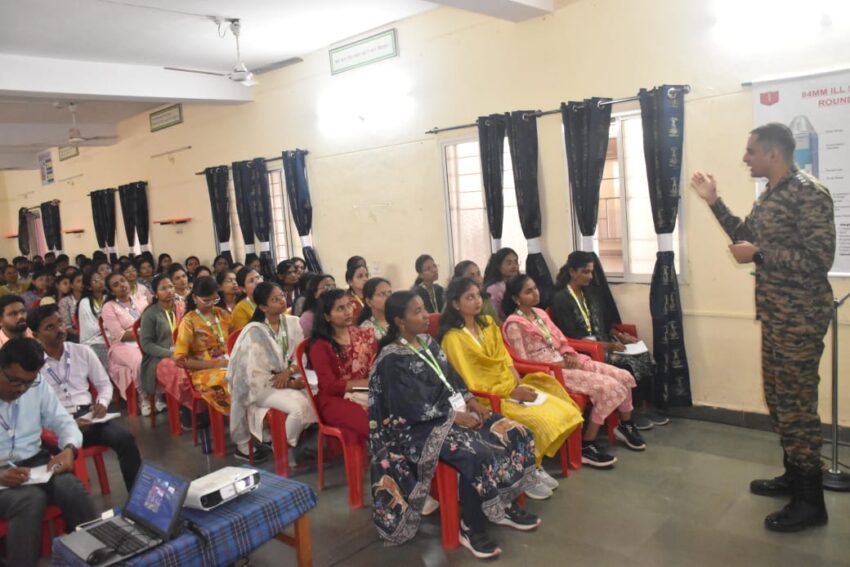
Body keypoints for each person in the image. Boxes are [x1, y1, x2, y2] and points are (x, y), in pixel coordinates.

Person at [691, 122, 835, 532]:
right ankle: (794, 476)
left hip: (800, 318)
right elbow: (747, 237)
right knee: (779, 399)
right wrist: (714, 201)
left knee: (797, 406)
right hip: (776, 315)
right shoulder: (771, 194)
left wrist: (760, 254)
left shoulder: (809, 193)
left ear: (773, 153)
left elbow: (819, 258)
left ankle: (811, 502)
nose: (745, 158)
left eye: (751, 151)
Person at [370, 291, 540, 558]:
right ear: (400, 321)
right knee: (476, 453)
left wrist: (471, 401)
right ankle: (470, 526)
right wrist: (452, 417)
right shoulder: (391, 358)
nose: (426, 316)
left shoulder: (428, 342)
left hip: (451, 412)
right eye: (417, 312)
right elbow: (407, 406)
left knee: (517, 432)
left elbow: (451, 377)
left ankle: (504, 504)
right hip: (420, 429)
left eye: (424, 309)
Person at [440, 277, 583, 499]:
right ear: (456, 304)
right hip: (487, 399)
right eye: (469, 297)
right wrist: (509, 392)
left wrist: (517, 383)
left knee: (562, 408)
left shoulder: (488, 323)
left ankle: (535, 463)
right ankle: (527, 471)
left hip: (508, 387)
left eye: (478, 295)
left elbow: (504, 359)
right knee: (539, 421)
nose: (477, 301)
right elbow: (469, 380)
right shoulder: (452, 338)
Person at [502, 274, 646, 466]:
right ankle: (587, 444)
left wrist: (569, 354)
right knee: (609, 387)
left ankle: (625, 425)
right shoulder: (513, 325)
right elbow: (524, 361)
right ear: (516, 299)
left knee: (624, 376)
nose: (535, 293)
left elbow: (561, 339)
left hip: (568, 361)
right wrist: (558, 364)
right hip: (550, 373)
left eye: (535, 288)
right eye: (528, 291)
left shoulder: (540, 313)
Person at [0, 337, 96, 567]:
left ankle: (95, 557)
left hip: (34, 464)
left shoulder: (38, 384)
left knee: (71, 487)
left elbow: (63, 422)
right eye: (14, 381)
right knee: (29, 500)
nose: (21, 389)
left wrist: (69, 449)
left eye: (28, 382)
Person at [28, 305, 142, 491]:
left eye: (60, 323)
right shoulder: (33, 364)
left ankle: (136, 495)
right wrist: (64, 424)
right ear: (35, 335)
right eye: (50, 327)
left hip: (88, 417)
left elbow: (104, 384)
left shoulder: (82, 351)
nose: (59, 329)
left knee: (125, 439)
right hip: (55, 423)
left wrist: (101, 403)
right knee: (46, 454)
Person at [550, 252, 666, 430]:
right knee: (628, 363)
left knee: (644, 357)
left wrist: (620, 335)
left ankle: (643, 407)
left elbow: (605, 324)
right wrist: (609, 346)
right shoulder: (561, 299)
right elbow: (569, 337)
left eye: (591, 271)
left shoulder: (591, 293)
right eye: (585, 272)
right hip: (585, 350)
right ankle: (628, 414)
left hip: (605, 342)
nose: (590, 276)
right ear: (572, 272)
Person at [228, 282, 316, 463]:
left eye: (282, 296)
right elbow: (252, 373)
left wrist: (289, 372)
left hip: (289, 376)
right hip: (261, 386)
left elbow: (300, 356)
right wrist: (288, 382)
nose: (282, 301)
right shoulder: (254, 332)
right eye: (275, 299)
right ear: (263, 307)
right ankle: (283, 445)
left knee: (318, 398)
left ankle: (285, 442)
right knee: (299, 409)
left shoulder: (293, 322)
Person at [306, 289, 374, 446]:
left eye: (349, 305)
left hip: (365, 390)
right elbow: (329, 386)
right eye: (340, 308)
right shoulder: (320, 346)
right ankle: (388, 453)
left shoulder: (363, 335)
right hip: (334, 399)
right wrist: (364, 384)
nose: (348, 312)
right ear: (327, 316)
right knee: (367, 417)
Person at [173, 276, 232, 415]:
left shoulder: (222, 314)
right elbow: (180, 359)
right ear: (195, 298)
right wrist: (215, 365)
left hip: (228, 362)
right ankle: (240, 418)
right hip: (203, 371)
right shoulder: (189, 321)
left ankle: (258, 417)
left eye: (214, 299)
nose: (211, 304)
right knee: (230, 379)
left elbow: (236, 339)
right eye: (206, 300)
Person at [101, 273, 153, 414]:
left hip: (144, 340)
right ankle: (144, 398)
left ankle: (158, 396)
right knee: (140, 361)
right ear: (111, 291)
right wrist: (144, 332)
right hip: (122, 345)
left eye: (123, 281)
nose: (122, 285)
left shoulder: (139, 299)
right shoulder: (109, 307)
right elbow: (120, 335)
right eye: (116, 285)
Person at [139, 274, 187, 416]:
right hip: (158, 357)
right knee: (177, 368)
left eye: (171, 287)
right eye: (163, 288)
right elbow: (146, 344)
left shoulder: (182, 307)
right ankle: (186, 408)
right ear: (155, 293)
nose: (169, 291)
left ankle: (202, 405)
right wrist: (170, 353)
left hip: (182, 351)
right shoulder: (150, 314)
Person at [76, 270, 109, 371]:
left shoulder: (108, 298)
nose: (100, 282)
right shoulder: (84, 302)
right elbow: (89, 328)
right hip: (93, 341)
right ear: (89, 287)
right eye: (95, 280)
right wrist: (108, 326)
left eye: (101, 279)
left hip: (110, 336)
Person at [482, 248, 520, 320]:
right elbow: (494, 317)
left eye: (516, 262)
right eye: (509, 263)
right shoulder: (494, 289)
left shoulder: (520, 283)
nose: (514, 266)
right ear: (498, 266)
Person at [58, 270, 84, 343]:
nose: (82, 283)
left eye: (84, 281)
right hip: (74, 336)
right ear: (72, 285)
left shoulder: (91, 299)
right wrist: (82, 334)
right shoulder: (64, 302)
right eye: (79, 281)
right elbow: (68, 326)